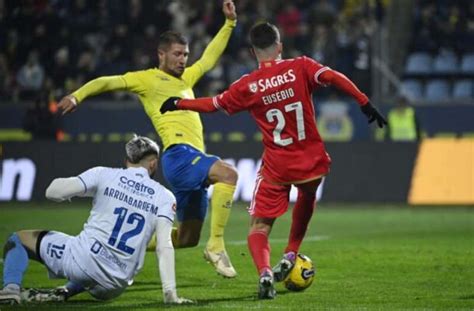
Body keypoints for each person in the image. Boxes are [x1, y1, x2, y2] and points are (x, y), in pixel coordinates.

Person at [160, 22, 387, 299]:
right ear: (279, 47)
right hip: (311, 160)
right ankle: (291, 252)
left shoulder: (248, 84)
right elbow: (335, 77)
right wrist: (364, 101)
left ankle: (265, 272)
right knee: (307, 197)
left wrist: (179, 103)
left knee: (259, 227)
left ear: (254, 52)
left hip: (277, 166)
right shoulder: (301, 66)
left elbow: (214, 104)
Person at [57, 0, 239, 278]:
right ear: (161, 55)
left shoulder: (186, 79)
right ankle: (216, 246)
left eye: (185, 54)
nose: (183, 60)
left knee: (188, 238)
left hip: (192, 162)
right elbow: (107, 81)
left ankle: (128, 245)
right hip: (179, 156)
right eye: (177, 54)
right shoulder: (146, 79)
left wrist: (229, 23)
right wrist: (76, 95)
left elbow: (208, 59)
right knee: (228, 174)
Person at [0, 135, 192, 305]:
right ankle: (67, 290)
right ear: (153, 164)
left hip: (82, 262)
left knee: (17, 239)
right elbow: (164, 246)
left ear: (126, 160)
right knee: (97, 262)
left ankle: (10, 290)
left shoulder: (103, 174)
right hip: (114, 285)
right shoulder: (165, 197)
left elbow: (52, 193)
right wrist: (170, 293)